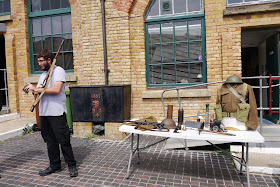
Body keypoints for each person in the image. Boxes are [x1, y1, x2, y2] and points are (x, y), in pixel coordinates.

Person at [24, 49, 78, 177]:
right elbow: (38, 93)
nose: (39, 64)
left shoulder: (58, 71)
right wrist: (32, 91)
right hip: (44, 113)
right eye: (38, 61)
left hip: (57, 113)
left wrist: (36, 88)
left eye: (42, 61)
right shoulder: (43, 75)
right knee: (50, 141)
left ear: (49, 60)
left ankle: (72, 165)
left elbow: (56, 89)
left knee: (64, 140)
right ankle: (55, 165)